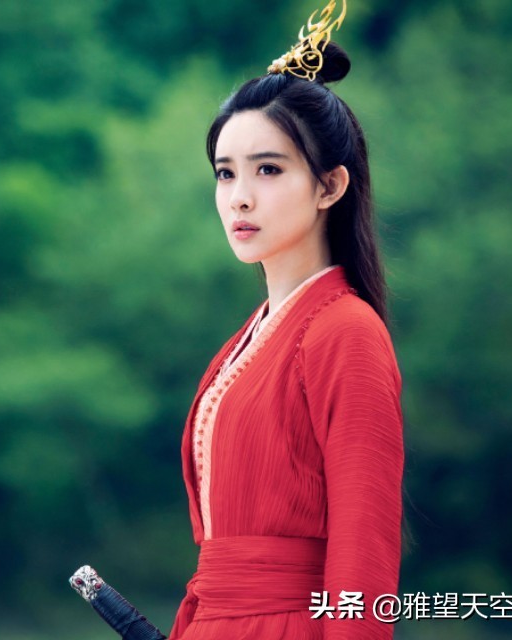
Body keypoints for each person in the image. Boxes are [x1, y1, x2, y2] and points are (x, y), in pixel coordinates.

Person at [167, 2, 404, 638]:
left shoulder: (345, 332)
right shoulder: (249, 339)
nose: (239, 197)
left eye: (268, 170)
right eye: (225, 174)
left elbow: (364, 556)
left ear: (330, 186)